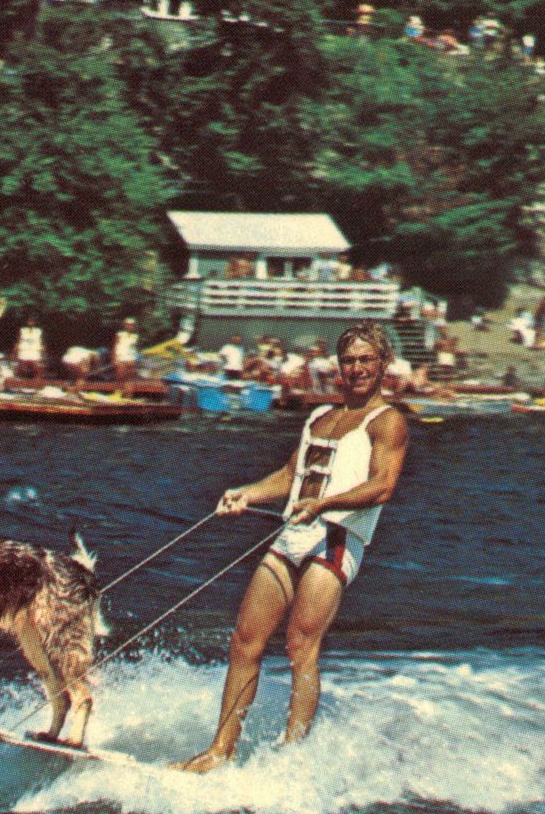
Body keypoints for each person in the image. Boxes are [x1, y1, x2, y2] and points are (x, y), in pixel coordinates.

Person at [174, 322, 408, 772]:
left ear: (382, 366)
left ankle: (293, 754)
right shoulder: (319, 417)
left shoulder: (388, 422)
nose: (357, 368)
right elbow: (289, 477)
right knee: (245, 640)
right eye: (349, 361)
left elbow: (381, 487)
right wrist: (246, 493)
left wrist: (324, 504)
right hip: (294, 533)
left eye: (366, 360)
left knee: (301, 644)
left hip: (336, 539)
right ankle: (220, 751)